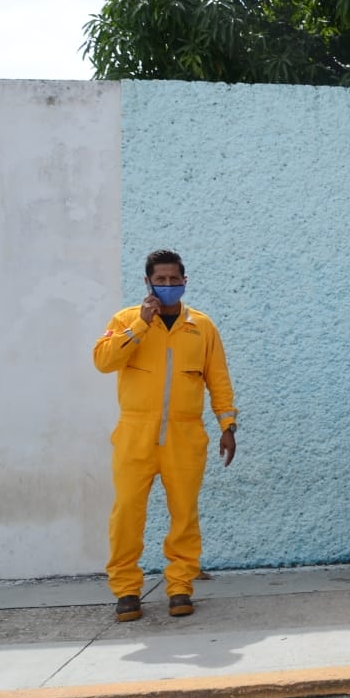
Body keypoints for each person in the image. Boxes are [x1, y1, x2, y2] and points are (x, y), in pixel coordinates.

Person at [93, 249, 237, 622]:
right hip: (134, 434)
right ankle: (126, 590)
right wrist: (139, 325)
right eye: (161, 280)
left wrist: (228, 425)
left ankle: (180, 586)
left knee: (184, 515)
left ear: (185, 282)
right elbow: (104, 361)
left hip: (185, 436)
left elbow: (217, 380)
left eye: (175, 280)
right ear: (148, 282)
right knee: (126, 513)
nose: (168, 286)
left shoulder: (201, 326)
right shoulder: (126, 320)